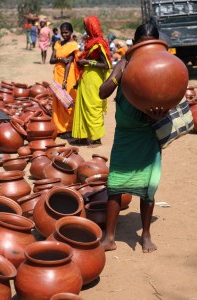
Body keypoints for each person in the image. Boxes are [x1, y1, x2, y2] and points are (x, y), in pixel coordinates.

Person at [99, 23, 169, 253]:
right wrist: (120, 73)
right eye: (141, 42)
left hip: (147, 134)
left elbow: (167, 101)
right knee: (115, 185)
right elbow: (103, 92)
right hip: (125, 135)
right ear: (135, 43)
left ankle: (146, 234)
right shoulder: (124, 64)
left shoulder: (162, 66)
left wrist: (156, 114)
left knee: (149, 185)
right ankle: (109, 237)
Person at [71, 15, 111, 147]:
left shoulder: (99, 44)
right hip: (86, 79)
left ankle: (96, 138)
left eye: (85, 25)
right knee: (83, 107)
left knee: (93, 107)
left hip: (94, 80)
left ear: (91, 27)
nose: (84, 28)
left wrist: (87, 62)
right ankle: (83, 136)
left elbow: (106, 65)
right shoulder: (89, 42)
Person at [50, 22, 79, 139]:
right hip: (57, 75)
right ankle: (60, 128)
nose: (64, 34)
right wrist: (61, 59)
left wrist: (65, 80)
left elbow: (69, 63)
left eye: (66, 32)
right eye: (62, 32)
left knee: (68, 100)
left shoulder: (73, 45)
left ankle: (70, 128)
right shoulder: (57, 43)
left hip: (68, 76)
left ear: (71, 32)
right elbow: (51, 60)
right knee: (58, 101)